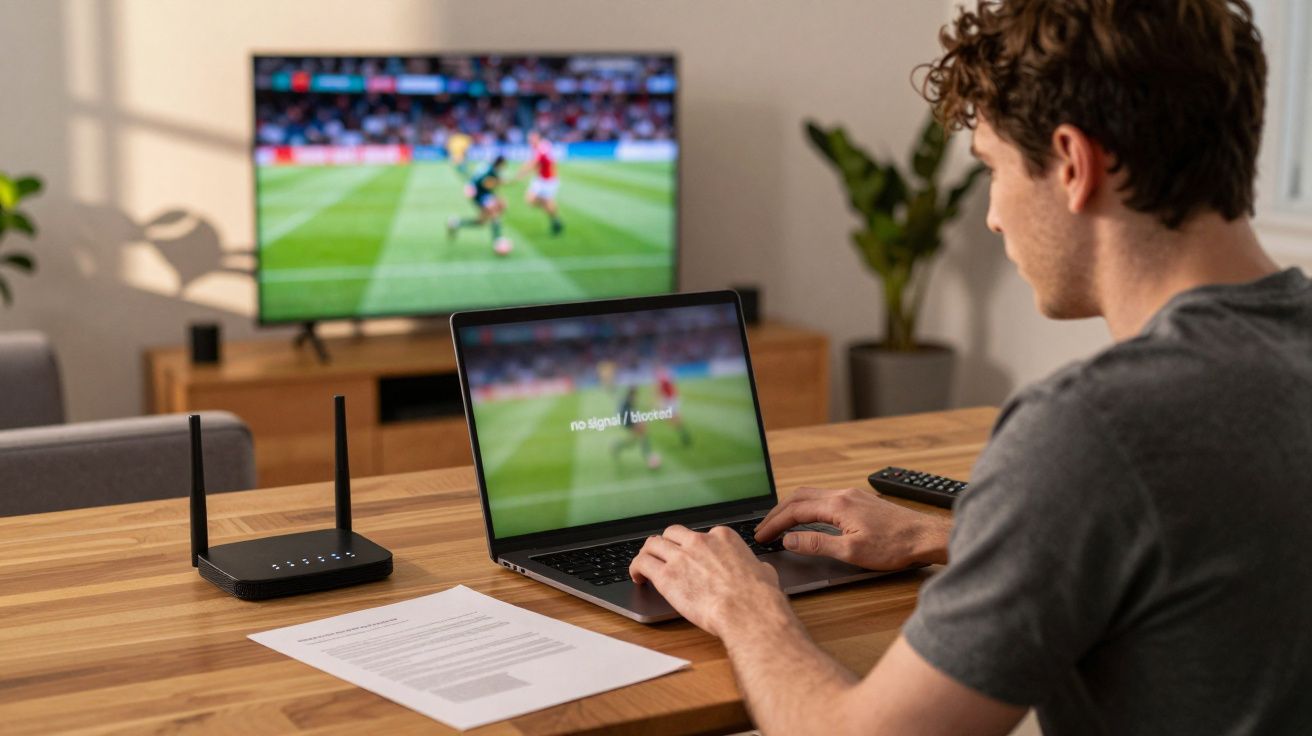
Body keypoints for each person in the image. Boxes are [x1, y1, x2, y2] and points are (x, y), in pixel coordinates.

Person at [627, 1, 1312, 734]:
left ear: (1074, 166)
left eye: (991, 167)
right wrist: (963, 537)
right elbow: (1224, 535)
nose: (991, 214)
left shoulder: (1093, 429)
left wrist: (744, 605)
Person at [447, 155, 509, 250]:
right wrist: (497, 186)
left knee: (481, 222)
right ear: (500, 164)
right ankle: (498, 241)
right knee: (494, 213)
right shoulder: (492, 171)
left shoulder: (488, 167)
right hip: (478, 193)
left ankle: (456, 223)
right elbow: (485, 184)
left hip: (478, 191)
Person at [514, 130, 565, 236]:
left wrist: (521, 174)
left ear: (538, 138)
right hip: (540, 179)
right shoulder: (538, 147)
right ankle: (554, 218)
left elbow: (534, 163)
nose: (530, 141)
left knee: (536, 201)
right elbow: (534, 163)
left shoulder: (542, 148)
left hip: (548, 180)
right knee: (531, 201)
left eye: (532, 138)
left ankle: (555, 220)